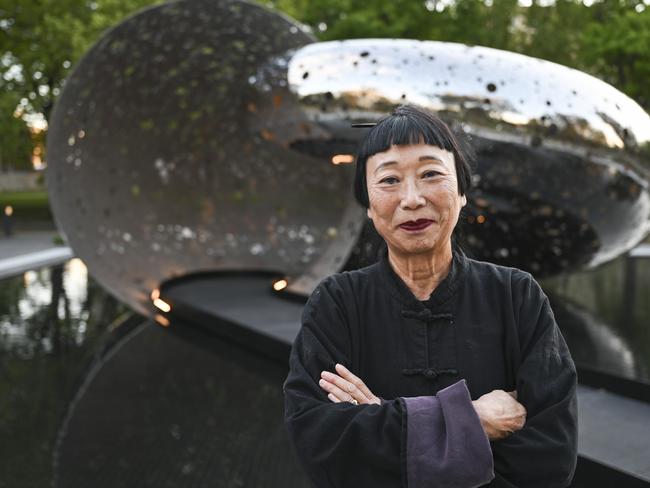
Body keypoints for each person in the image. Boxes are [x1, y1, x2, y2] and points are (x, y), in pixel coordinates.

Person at [283, 104, 577, 487]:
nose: (412, 198)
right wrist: (471, 420)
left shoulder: (515, 295)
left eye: (431, 174)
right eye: (389, 180)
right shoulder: (337, 302)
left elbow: (550, 456)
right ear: (369, 208)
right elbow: (321, 443)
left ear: (462, 194)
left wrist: (383, 419)